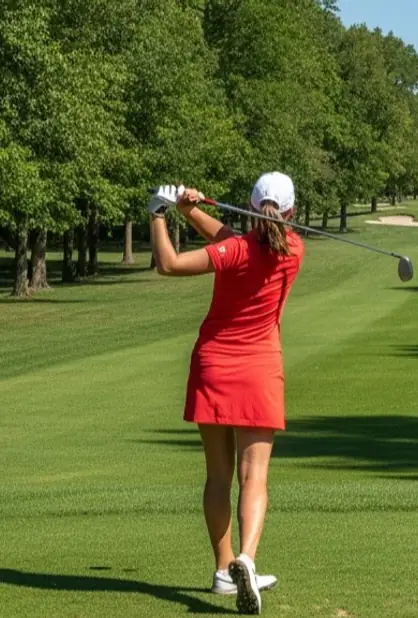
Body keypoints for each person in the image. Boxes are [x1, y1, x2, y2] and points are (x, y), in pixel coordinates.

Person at [147, 172, 305, 615]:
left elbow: (170, 263)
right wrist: (190, 210)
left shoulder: (234, 250)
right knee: (255, 478)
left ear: (251, 206)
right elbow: (239, 239)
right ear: (291, 213)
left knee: (218, 477)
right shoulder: (295, 249)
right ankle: (247, 562)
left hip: (215, 366)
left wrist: (160, 213)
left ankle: (223, 569)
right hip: (259, 371)